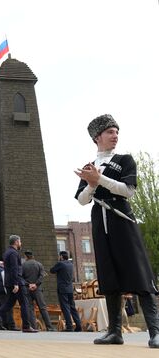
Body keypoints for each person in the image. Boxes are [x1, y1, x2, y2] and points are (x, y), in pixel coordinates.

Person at [74, 114, 159, 348]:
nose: (115, 136)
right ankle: (114, 331)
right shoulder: (89, 167)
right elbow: (82, 201)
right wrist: (91, 183)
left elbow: (128, 191)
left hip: (121, 219)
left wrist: (99, 179)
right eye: (110, 132)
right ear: (97, 137)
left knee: (138, 270)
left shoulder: (124, 160)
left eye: (116, 132)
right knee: (108, 275)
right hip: (100, 223)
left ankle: (155, 330)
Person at [0, 235, 38, 333]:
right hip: (16, 282)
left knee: (9, 303)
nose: (20, 243)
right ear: (16, 242)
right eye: (20, 241)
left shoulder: (7, 253)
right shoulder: (14, 253)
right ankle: (26, 326)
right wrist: (16, 283)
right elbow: (15, 268)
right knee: (24, 303)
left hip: (9, 282)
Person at [22, 250, 55, 331]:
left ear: (26, 257)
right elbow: (42, 276)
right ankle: (49, 327)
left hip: (27, 289)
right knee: (42, 307)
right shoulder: (39, 264)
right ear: (32, 256)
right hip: (38, 289)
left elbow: (21, 277)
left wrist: (28, 284)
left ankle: (33, 327)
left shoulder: (23, 265)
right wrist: (36, 284)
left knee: (30, 308)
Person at [50, 251, 82, 332]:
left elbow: (52, 270)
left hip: (63, 289)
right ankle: (78, 326)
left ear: (61, 256)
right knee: (72, 307)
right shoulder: (71, 264)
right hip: (70, 289)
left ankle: (69, 326)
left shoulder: (60, 264)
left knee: (65, 308)